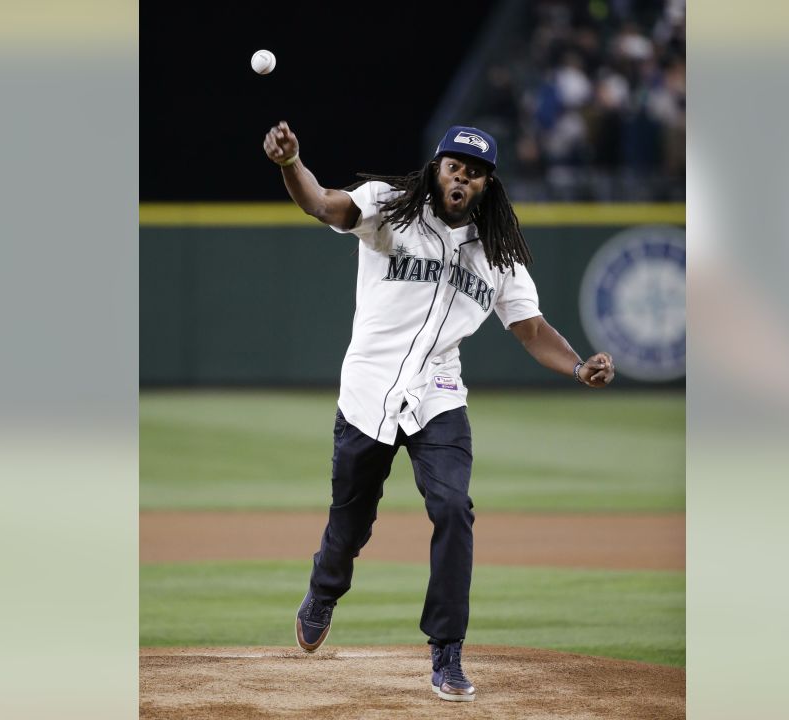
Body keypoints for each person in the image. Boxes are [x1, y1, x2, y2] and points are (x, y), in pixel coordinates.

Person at [262, 120, 616, 702]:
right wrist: (290, 164)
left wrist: (578, 366)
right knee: (349, 525)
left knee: (453, 508)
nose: (461, 176)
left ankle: (447, 653)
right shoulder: (389, 208)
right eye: (453, 165)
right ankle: (323, 592)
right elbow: (323, 204)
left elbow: (529, 327)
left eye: (473, 171)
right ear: (436, 168)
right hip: (368, 390)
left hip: (438, 396)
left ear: (486, 184)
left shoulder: (497, 252)